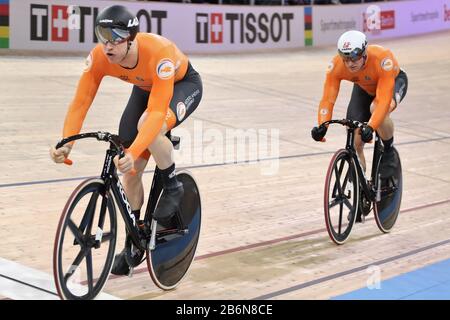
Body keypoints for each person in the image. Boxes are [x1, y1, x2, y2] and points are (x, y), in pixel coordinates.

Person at [49, 5, 203, 275]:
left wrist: (134, 149)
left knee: (148, 126)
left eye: (114, 38)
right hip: (145, 89)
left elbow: (156, 112)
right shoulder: (100, 56)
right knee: (129, 172)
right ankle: (135, 239)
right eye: (101, 36)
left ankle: (172, 183)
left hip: (182, 86)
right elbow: (81, 101)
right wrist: (67, 142)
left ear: (131, 39)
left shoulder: (159, 53)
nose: (107, 45)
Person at [311, 30, 407, 220]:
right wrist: (322, 125)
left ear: (364, 53)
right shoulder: (337, 66)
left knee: (377, 109)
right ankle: (362, 192)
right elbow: (328, 98)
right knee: (355, 141)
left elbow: (382, 100)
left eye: (354, 57)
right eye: (345, 58)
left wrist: (370, 127)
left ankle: (388, 150)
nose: (350, 63)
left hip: (391, 83)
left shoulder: (382, 58)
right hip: (364, 87)